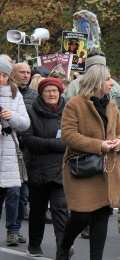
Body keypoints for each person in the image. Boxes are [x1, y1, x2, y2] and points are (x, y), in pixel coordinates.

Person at [56, 63, 120, 260]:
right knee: (81, 214)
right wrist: (100, 145)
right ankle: (65, 245)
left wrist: (119, 142)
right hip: (82, 169)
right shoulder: (75, 104)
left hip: (108, 169)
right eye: (107, 79)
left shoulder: (112, 105)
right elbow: (68, 136)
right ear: (96, 81)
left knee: (102, 215)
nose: (111, 83)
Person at [20, 78, 68, 257]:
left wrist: (60, 144)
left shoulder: (68, 110)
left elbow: (73, 137)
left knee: (61, 210)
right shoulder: (31, 111)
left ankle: (62, 248)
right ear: (41, 93)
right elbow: (28, 140)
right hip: (38, 169)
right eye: (47, 90)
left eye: (54, 90)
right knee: (38, 211)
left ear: (60, 92)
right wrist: (56, 144)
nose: (51, 94)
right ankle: (34, 245)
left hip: (61, 169)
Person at [0, 57, 30, 246]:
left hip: (10, 149)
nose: (1, 79)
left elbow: (25, 123)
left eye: (4, 75)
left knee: (14, 194)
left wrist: (12, 117)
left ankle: (13, 230)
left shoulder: (15, 94)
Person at [11, 62, 36, 236]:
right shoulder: (6, 93)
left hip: (26, 151)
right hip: (7, 146)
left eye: (28, 72)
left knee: (21, 194)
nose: (26, 75)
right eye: (22, 72)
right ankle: (12, 228)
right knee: (12, 193)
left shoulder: (35, 96)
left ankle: (15, 229)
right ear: (13, 73)